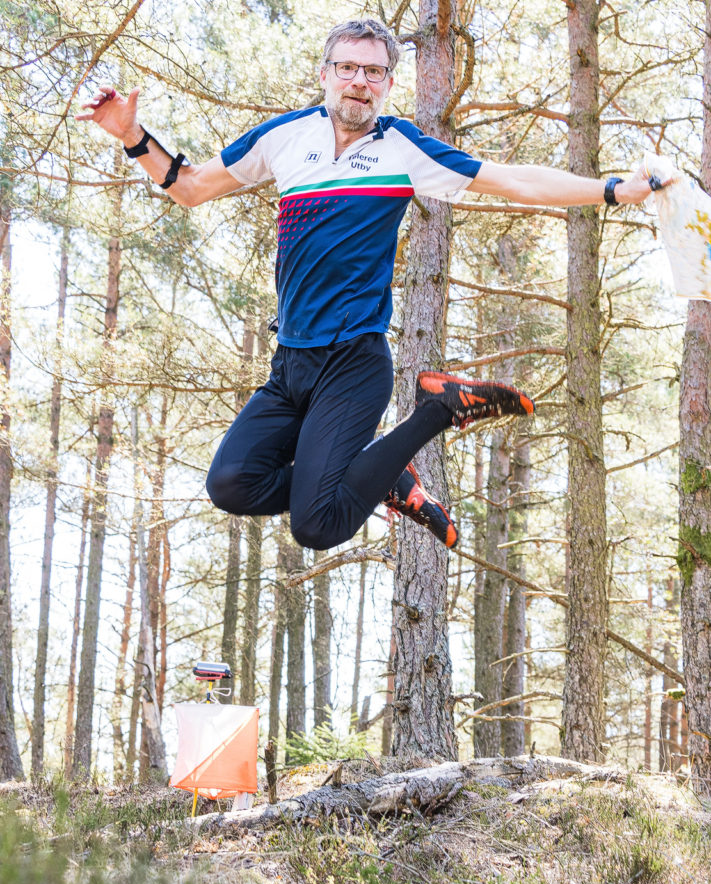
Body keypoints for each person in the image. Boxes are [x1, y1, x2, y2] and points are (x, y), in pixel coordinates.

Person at [77, 18, 656, 552]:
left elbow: (513, 182)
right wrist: (131, 135)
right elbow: (192, 187)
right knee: (232, 484)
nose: (359, 82)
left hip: (354, 362)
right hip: (290, 364)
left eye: (373, 72)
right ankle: (381, 476)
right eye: (347, 68)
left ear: (388, 83)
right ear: (325, 74)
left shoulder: (402, 148)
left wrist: (611, 189)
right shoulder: (284, 137)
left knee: (317, 524)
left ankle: (440, 409)